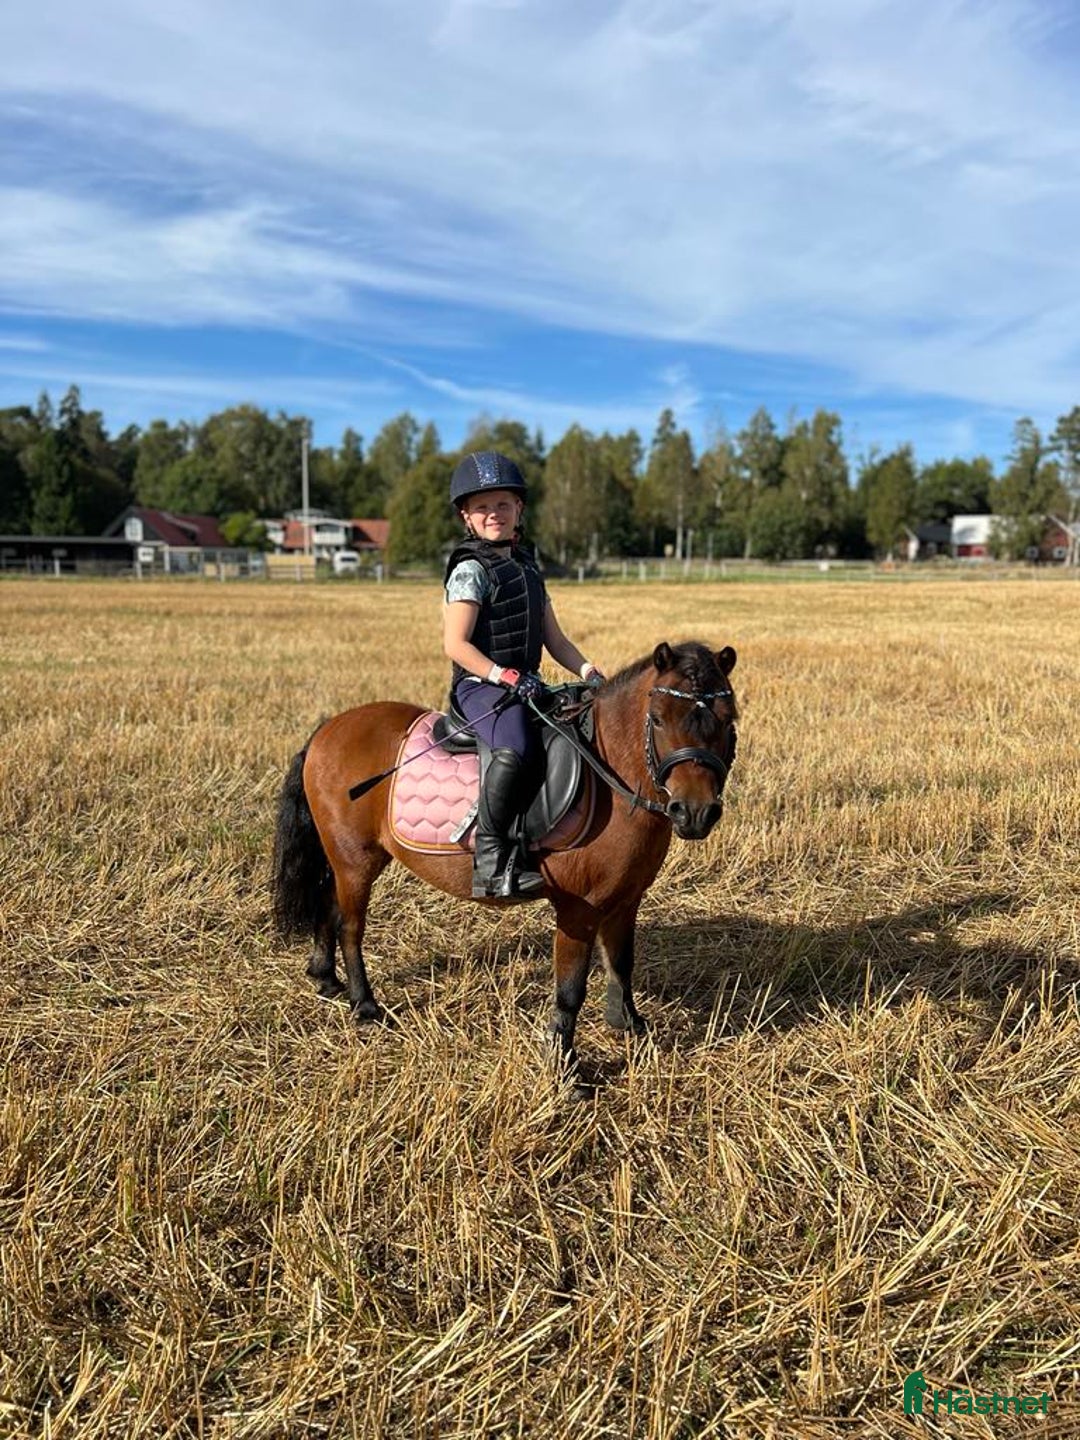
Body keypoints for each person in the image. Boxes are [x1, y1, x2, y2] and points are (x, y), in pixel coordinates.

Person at [443, 450, 605, 900]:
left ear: (519, 510)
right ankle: (491, 860)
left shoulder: (530, 569)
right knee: (514, 748)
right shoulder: (469, 570)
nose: (493, 513)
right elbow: (455, 645)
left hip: (523, 684)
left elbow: (556, 639)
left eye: (503, 504)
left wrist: (589, 671)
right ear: (466, 517)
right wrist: (506, 676)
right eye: (482, 506)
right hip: (480, 687)